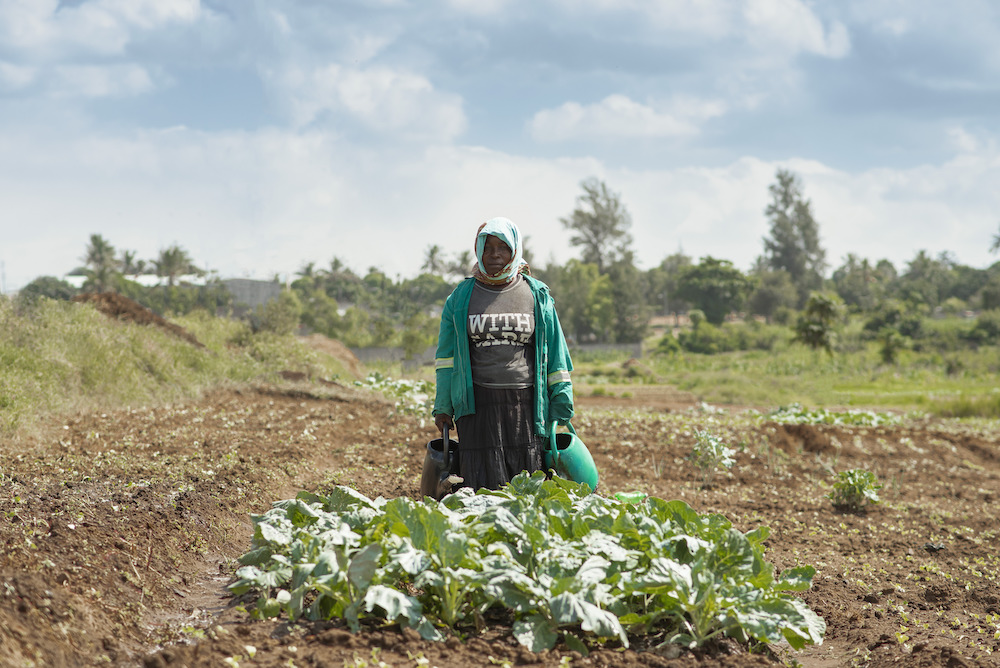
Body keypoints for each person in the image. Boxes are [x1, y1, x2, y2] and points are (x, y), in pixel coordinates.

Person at [432, 217, 574, 491]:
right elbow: (446, 360)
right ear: (478, 251)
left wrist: (562, 395)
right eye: (488, 247)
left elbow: (555, 352)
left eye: (503, 247)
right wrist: (443, 405)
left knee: (526, 481)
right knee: (480, 483)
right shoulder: (461, 298)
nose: (495, 254)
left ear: (515, 250)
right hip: (475, 406)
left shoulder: (537, 294)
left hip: (525, 405)